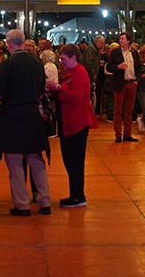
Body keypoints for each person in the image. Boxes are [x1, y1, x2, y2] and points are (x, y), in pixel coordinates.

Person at [0, 29, 52, 217]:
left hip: (11, 117)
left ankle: (22, 205)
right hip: (32, 116)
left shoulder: (6, 65)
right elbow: (42, 92)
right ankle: (45, 201)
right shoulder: (37, 64)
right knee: (36, 160)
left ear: (9, 44)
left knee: (15, 162)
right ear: (24, 43)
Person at [50, 43, 97, 207]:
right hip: (68, 123)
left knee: (75, 160)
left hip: (77, 123)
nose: (61, 62)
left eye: (63, 59)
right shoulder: (71, 73)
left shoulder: (80, 73)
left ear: (73, 58)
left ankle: (78, 195)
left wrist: (57, 88)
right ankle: (75, 194)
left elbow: (76, 96)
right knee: (69, 159)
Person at [106, 33, 142, 142]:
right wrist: (118, 67)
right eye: (120, 39)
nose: (121, 41)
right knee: (118, 110)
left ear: (128, 41)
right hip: (120, 83)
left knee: (129, 110)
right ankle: (118, 134)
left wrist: (137, 80)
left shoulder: (134, 53)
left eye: (123, 39)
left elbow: (139, 68)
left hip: (131, 83)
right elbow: (109, 67)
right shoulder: (115, 53)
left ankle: (127, 133)